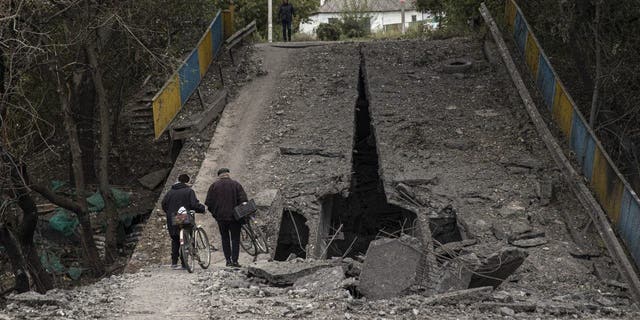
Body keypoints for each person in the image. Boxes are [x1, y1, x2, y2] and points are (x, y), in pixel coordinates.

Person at [205, 168, 248, 267]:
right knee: (235, 239)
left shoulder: (214, 186)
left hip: (221, 218)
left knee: (225, 238)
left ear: (219, 176)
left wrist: (215, 214)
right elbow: (244, 200)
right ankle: (235, 261)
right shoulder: (236, 184)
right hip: (235, 218)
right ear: (228, 174)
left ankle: (228, 261)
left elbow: (209, 203)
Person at [161, 174, 205, 270]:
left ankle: (174, 263)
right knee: (186, 239)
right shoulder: (189, 191)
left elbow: (164, 204)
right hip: (184, 217)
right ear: (187, 182)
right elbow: (194, 204)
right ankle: (184, 263)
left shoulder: (170, 192)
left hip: (172, 218)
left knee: (175, 239)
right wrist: (202, 209)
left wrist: (169, 213)